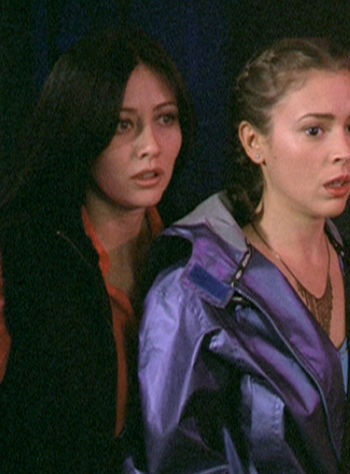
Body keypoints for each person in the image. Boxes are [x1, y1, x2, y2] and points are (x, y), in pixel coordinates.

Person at [136, 37, 350, 473]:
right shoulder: (195, 288)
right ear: (254, 142)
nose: (344, 151)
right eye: (315, 130)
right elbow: (178, 460)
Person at [0, 28, 195, 472]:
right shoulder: (20, 255)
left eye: (166, 119)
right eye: (123, 124)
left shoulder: (195, 249)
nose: (151, 147)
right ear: (79, 128)